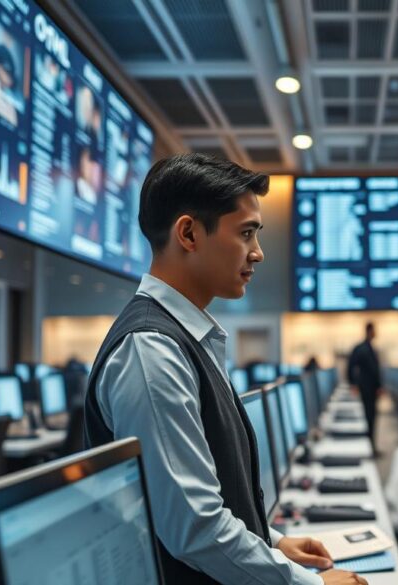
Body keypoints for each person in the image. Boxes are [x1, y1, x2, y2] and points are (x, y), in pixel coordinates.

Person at [84, 154, 365, 585]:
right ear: (189, 233)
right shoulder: (151, 349)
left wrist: (271, 542)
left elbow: (199, 497)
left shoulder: (184, 337)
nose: (258, 252)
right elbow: (195, 529)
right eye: (246, 233)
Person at [347, 322, 381, 450]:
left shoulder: (370, 348)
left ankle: (371, 445)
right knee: (369, 417)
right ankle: (370, 446)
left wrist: (379, 386)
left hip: (372, 389)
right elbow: (351, 366)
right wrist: (353, 384)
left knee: (372, 418)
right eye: (373, 330)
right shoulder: (362, 348)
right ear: (369, 331)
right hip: (366, 388)